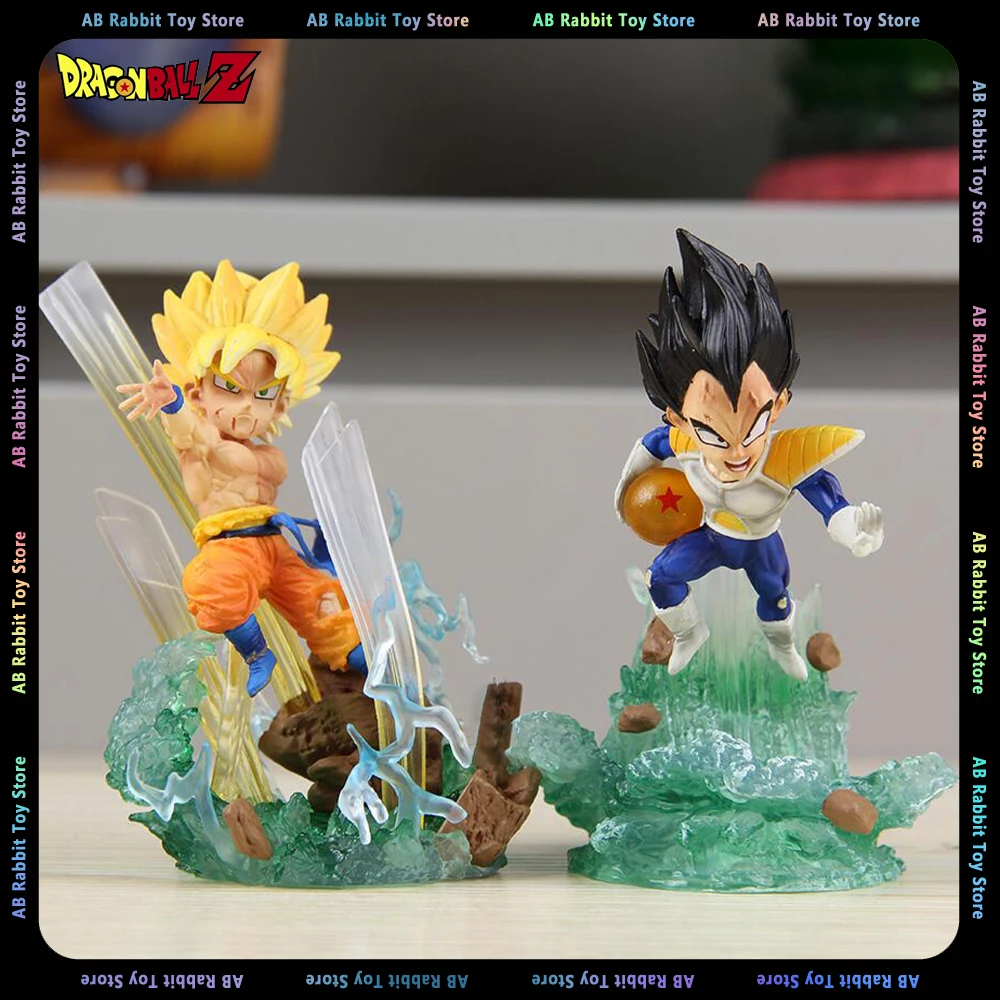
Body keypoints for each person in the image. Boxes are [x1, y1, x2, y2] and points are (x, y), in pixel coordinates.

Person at [615, 231, 883, 681]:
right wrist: (626, 489)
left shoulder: (785, 459)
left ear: (778, 405)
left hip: (762, 545)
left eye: (753, 424)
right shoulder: (686, 443)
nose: (737, 450)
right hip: (711, 537)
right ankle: (690, 633)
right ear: (679, 419)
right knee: (660, 577)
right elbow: (652, 444)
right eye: (714, 432)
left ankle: (782, 646)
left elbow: (826, 496)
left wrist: (850, 527)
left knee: (775, 600)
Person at [117, 260, 363, 695]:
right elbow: (190, 432)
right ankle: (257, 653)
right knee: (211, 587)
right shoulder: (206, 443)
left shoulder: (266, 453)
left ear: (280, 406)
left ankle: (368, 668)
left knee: (325, 605)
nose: (247, 405)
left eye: (263, 394)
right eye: (230, 388)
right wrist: (171, 403)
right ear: (199, 393)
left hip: (276, 544)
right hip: (232, 547)